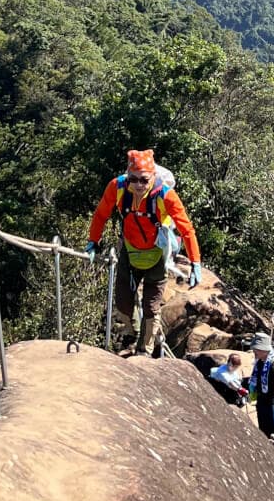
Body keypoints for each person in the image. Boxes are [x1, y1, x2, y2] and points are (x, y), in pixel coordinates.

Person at [84, 148, 202, 355]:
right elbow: (101, 213)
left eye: (144, 180)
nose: (138, 185)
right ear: (127, 176)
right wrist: (93, 241)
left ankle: (144, 350)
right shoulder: (118, 187)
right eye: (133, 179)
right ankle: (134, 333)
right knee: (122, 302)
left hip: (157, 254)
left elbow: (186, 228)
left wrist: (195, 262)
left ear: (153, 176)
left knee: (151, 306)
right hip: (129, 252)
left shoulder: (165, 195)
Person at [247, 333, 274, 444]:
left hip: (272, 406)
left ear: (263, 350)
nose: (254, 352)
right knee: (264, 433)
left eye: (256, 349)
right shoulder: (260, 363)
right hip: (261, 403)